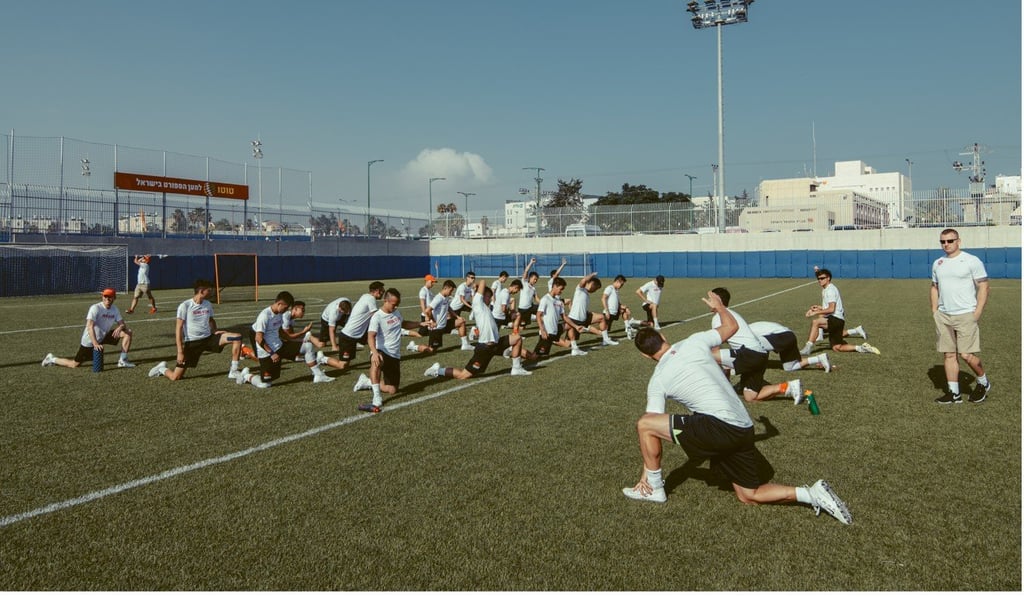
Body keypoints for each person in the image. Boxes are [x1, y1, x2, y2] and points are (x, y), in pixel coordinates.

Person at [621, 292, 853, 526]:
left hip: (721, 428)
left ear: (644, 356)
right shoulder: (694, 341)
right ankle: (812, 493)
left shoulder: (658, 379)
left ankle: (654, 489)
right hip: (743, 427)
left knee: (644, 424)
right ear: (663, 336)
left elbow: (651, 426)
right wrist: (720, 308)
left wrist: (648, 476)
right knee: (748, 495)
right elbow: (731, 327)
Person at [423, 278, 533, 381]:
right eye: (488, 296)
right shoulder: (478, 303)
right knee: (463, 375)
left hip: (496, 343)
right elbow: (483, 281)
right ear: (482, 295)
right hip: (484, 348)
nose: (490, 299)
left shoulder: (486, 307)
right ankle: (437, 370)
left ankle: (516, 368)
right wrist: (476, 287)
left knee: (517, 338)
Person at [708, 288, 803, 404]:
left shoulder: (718, 318)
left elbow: (716, 350)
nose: (708, 301)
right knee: (750, 397)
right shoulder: (732, 313)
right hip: (759, 355)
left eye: (711, 298)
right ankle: (788, 387)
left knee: (708, 355)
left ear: (718, 300)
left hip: (750, 355)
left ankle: (727, 388)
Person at [931, 228, 992, 404]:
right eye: (943, 241)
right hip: (944, 315)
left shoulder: (971, 261)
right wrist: (935, 310)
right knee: (949, 355)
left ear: (959, 241)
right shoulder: (938, 263)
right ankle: (954, 393)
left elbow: (983, 286)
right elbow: (934, 286)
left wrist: (977, 311)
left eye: (950, 241)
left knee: (966, 355)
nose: (946, 244)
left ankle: (983, 381)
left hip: (966, 314)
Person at [147, 279, 245, 382]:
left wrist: (214, 330)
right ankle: (162, 368)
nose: (211, 292)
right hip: (192, 344)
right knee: (175, 377)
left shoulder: (207, 304)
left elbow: (211, 319)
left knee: (237, 337)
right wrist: (180, 352)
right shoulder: (185, 306)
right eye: (209, 290)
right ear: (201, 291)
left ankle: (233, 371)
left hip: (209, 339)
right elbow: (178, 329)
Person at [355, 288, 430, 413]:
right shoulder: (377, 317)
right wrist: (374, 352)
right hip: (381, 350)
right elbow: (370, 336)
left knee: (392, 390)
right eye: (394, 304)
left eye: (397, 305)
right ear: (386, 301)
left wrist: (419, 324)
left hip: (394, 355)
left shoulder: (396, 312)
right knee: (377, 361)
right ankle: (376, 396)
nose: (396, 307)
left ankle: (367, 382)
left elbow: (403, 323)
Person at [239, 291, 333, 388]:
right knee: (265, 384)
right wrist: (272, 353)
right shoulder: (264, 316)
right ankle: (246, 376)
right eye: (286, 307)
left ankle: (318, 375)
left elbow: (282, 333)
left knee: (307, 346)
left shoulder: (280, 314)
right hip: (268, 352)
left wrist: (299, 339)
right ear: (279, 304)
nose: (286, 310)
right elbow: (258, 338)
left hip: (280, 346)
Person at [42, 288, 135, 370]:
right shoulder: (95, 308)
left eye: (110, 297)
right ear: (102, 297)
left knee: (128, 333)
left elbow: (123, 324)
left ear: (114, 298)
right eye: (105, 296)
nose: (107, 299)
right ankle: (52, 359)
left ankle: (122, 360)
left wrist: (120, 327)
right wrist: (95, 344)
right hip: (90, 341)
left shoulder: (115, 309)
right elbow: (89, 326)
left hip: (103, 336)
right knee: (74, 364)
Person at [801, 269, 879, 356]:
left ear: (828, 278)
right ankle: (861, 348)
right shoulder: (826, 289)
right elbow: (829, 308)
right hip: (837, 320)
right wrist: (818, 308)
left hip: (835, 319)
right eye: (818, 279)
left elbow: (831, 309)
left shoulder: (830, 290)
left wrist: (815, 313)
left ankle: (808, 348)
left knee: (816, 322)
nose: (820, 280)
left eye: (822, 278)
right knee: (837, 347)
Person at [317, 282, 385, 374]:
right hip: (348, 337)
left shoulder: (365, 296)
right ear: (377, 290)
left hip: (357, 335)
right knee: (343, 366)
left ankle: (378, 360)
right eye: (382, 290)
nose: (383, 292)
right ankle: (322, 359)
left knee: (375, 340)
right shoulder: (370, 299)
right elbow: (376, 316)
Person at [406, 279, 473, 355]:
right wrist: (433, 321)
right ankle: (413, 346)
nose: (451, 293)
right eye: (450, 291)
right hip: (436, 328)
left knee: (461, 322)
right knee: (431, 350)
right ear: (445, 288)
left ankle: (465, 344)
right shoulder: (438, 298)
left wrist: (457, 317)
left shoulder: (446, 297)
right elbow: (427, 310)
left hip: (445, 325)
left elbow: (448, 308)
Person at [749, 321, 830, 373]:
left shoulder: (746, 333)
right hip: (790, 335)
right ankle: (819, 358)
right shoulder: (749, 327)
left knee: (755, 347)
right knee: (790, 367)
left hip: (783, 336)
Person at [567, 272, 616, 351]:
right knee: (567, 344)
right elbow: (583, 280)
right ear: (592, 284)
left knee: (601, 317)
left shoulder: (586, 293)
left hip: (584, 317)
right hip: (574, 318)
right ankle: (553, 339)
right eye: (596, 288)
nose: (595, 291)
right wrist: (592, 275)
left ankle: (606, 339)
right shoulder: (580, 289)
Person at [533, 276, 577, 358]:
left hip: (556, 331)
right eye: (561, 289)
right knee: (535, 357)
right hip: (547, 334)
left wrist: (576, 326)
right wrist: (542, 330)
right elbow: (538, 315)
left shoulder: (559, 302)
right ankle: (511, 350)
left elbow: (564, 317)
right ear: (555, 286)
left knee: (570, 327)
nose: (561, 291)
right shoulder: (545, 299)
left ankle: (575, 348)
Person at [602, 275, 634, 340]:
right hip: (609, 313)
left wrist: (626, 307)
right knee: (603, 330)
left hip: (615, 312)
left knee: (624, 311)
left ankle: (628, 329)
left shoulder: (616, 290)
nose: (622, 286)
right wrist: (607, 311)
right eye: (621, 285)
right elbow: (603, 298)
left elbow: (618, 304)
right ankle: (585, 328)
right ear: (617, 281)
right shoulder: (609, 288)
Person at [515, 257, 540, 329]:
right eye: (534, 279)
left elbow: (536, 298)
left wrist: (543, 304)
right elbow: (526, 271)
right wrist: (531, 262)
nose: (535, 281)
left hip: (530, 307)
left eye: (536, 280)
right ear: (530, 278)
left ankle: (543, 324)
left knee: (541, 310)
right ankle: (510, 324)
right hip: (522, 309)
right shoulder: (524, 283)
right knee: (522, 327)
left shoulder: (533, 288)